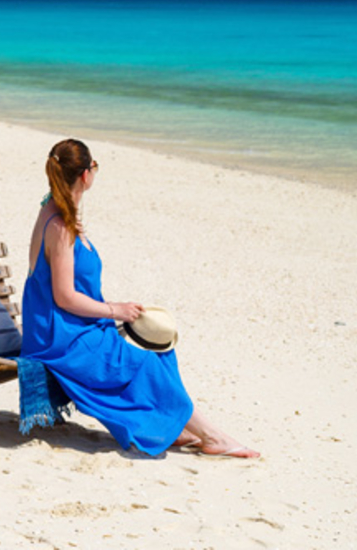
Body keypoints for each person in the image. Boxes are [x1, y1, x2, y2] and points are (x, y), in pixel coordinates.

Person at [21, 137, 259, 458]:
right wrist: (114, 310)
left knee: (157, 348)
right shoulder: (60, 225)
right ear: (86, 176)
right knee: (143, 361)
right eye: (94, 167)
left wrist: (112, 312)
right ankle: (212, 436)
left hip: (73, 326)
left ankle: (172, 427)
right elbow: (64, 297)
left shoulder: (59, 211)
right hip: (60, 336)